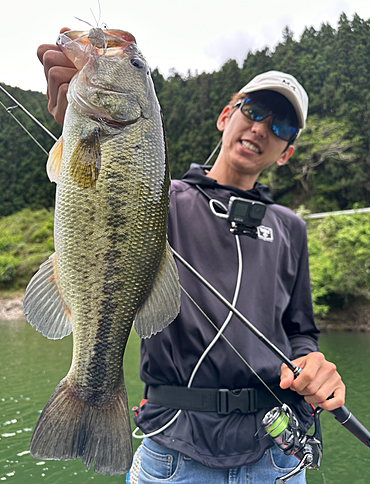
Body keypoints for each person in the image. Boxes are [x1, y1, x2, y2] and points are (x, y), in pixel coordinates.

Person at [37, 33, 345, 484]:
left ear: (289, 152)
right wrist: (78, 121)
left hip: (274, 456)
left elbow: (300, 331)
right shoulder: (168, 200)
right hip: (174, 452)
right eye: (254, 112)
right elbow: (105, 199)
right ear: (226, 116)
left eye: (280, 127)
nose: (261, 129)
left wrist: (314, 361)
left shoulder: (290, 227)